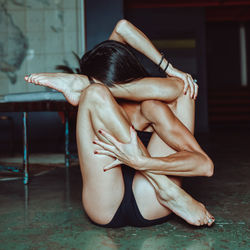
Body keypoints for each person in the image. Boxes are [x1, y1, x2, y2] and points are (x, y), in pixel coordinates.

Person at [25, 19, 215, 227]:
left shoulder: (154, 107)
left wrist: (141, 162)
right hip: (109, 200)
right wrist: (95, 86)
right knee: (95, 94)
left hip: (149, 199)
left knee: (184, 89)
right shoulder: (100, 97)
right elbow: (122, 29)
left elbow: (205, 166)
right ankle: (168, 190)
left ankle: (83, 85)